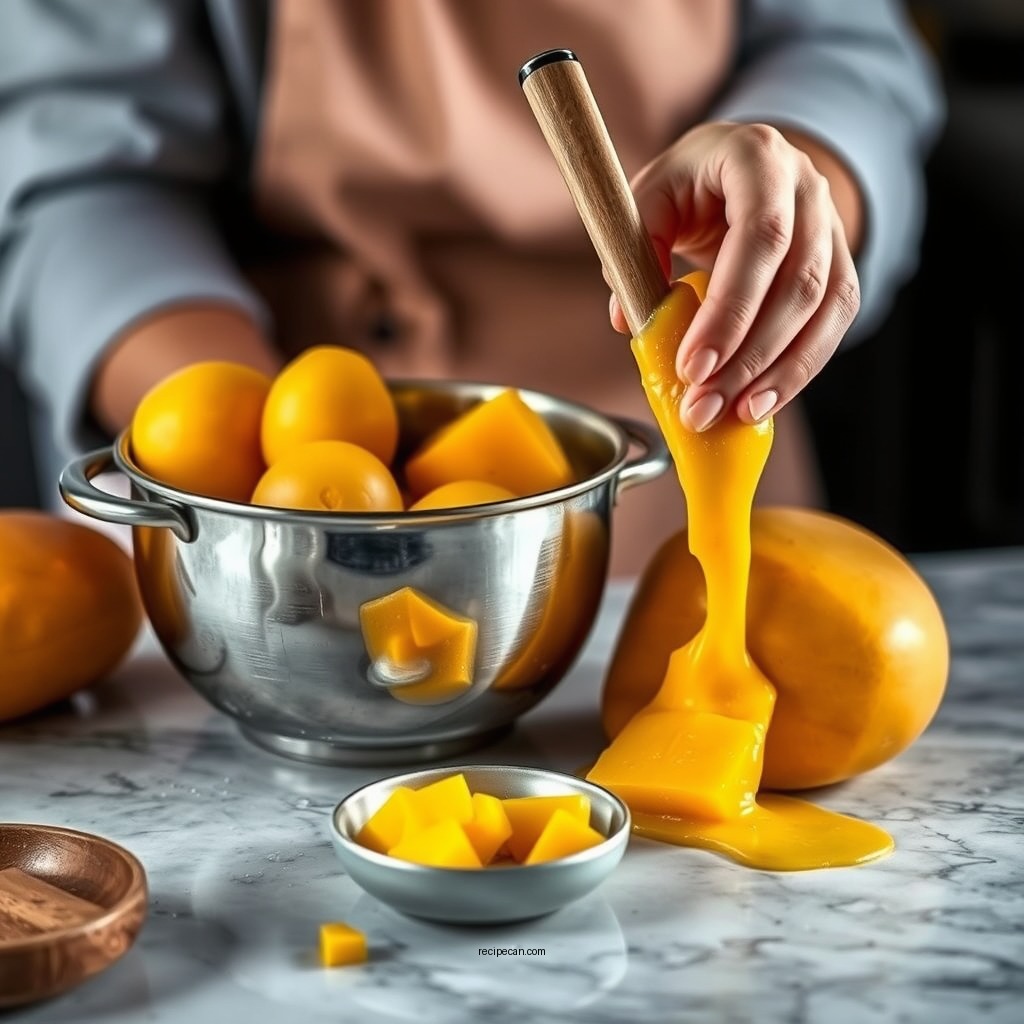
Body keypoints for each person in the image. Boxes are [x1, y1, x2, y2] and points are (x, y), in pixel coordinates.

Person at [0, 0, 942, 574]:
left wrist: (791, 189)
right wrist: (259, 474)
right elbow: (84, 177)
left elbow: (849, 55)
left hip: (682, 453)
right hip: (262, 523)